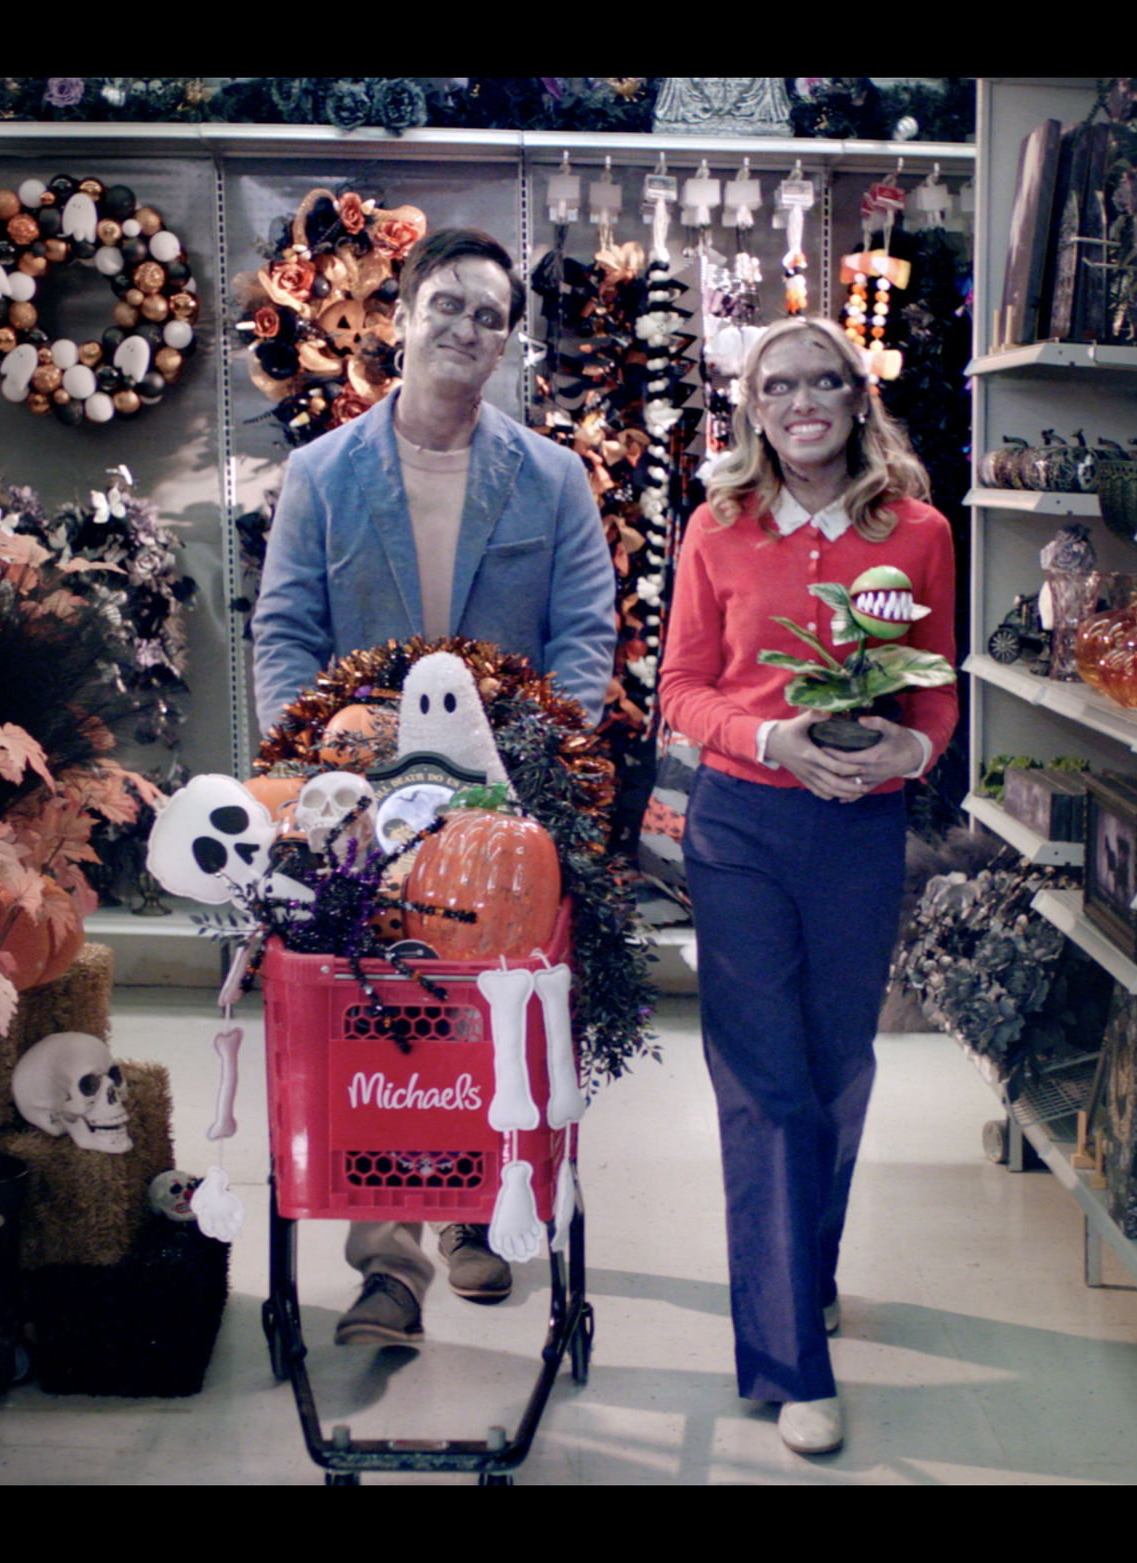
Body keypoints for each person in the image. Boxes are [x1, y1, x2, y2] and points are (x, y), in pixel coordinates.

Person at [252, 228, 617, 1348]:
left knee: (480, 1006)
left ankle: (473, 1214)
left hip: (501, 804)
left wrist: (543, 765)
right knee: (372, 1014)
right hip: (354, 798)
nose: (465, 329)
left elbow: (586, 640)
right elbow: (285, 634)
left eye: (488, 317)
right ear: (400, 316)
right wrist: (315, 760)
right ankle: (387, 1264)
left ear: (507, 342)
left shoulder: (552, 480)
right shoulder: (321, 475)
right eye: (446, 306)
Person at [656, 315, 958, 1456]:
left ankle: (805, 1269)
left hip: (860, 833)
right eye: (777, 386)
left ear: (854, 395)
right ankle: (789, 1360)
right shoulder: (716, 529)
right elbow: (681, 687)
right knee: (765, 1083)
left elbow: (933, 691)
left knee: (839, 1067)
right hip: (741, 824)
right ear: (753, 409)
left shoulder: (917, 530)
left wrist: (914, 753)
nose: (801, 402)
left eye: (822, 380)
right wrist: (767, 741)